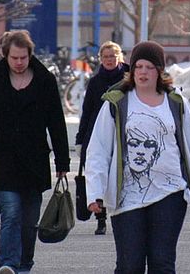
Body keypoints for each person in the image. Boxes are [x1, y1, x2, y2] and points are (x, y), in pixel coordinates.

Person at [85, 40, 190, 273]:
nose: (143, 72)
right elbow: (98, 150)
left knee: (162, 263)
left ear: (160, 71)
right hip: (127, 196)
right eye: (139, 66)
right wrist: (95, 192)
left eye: (149, 67)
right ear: (131, 70)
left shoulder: (176, 103)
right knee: (129, 265)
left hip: (170, 193)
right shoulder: (118, 102)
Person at [0, 30, 70, 274]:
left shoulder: (44, 81)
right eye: (14, 58)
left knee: (28, 221)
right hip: (5, 158)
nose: (19, 62)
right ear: (6, 56)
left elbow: (56, 122)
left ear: (29, 55)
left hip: (35, 160)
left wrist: (62, 161)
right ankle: (8, 263)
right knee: (11, 213)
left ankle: (24, 264)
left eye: (23, 57)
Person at [75, 41, 129, 235]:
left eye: (112, 57)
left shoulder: (130, 78)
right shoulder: (96, 82)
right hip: (98, 132)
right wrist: (81, 139)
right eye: (105, 57)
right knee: (101, 172)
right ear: (100, 59)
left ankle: (122, 213)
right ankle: (101, 218)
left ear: (119, 58)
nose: (108, 60)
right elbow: (87, 111)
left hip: (123, 132)